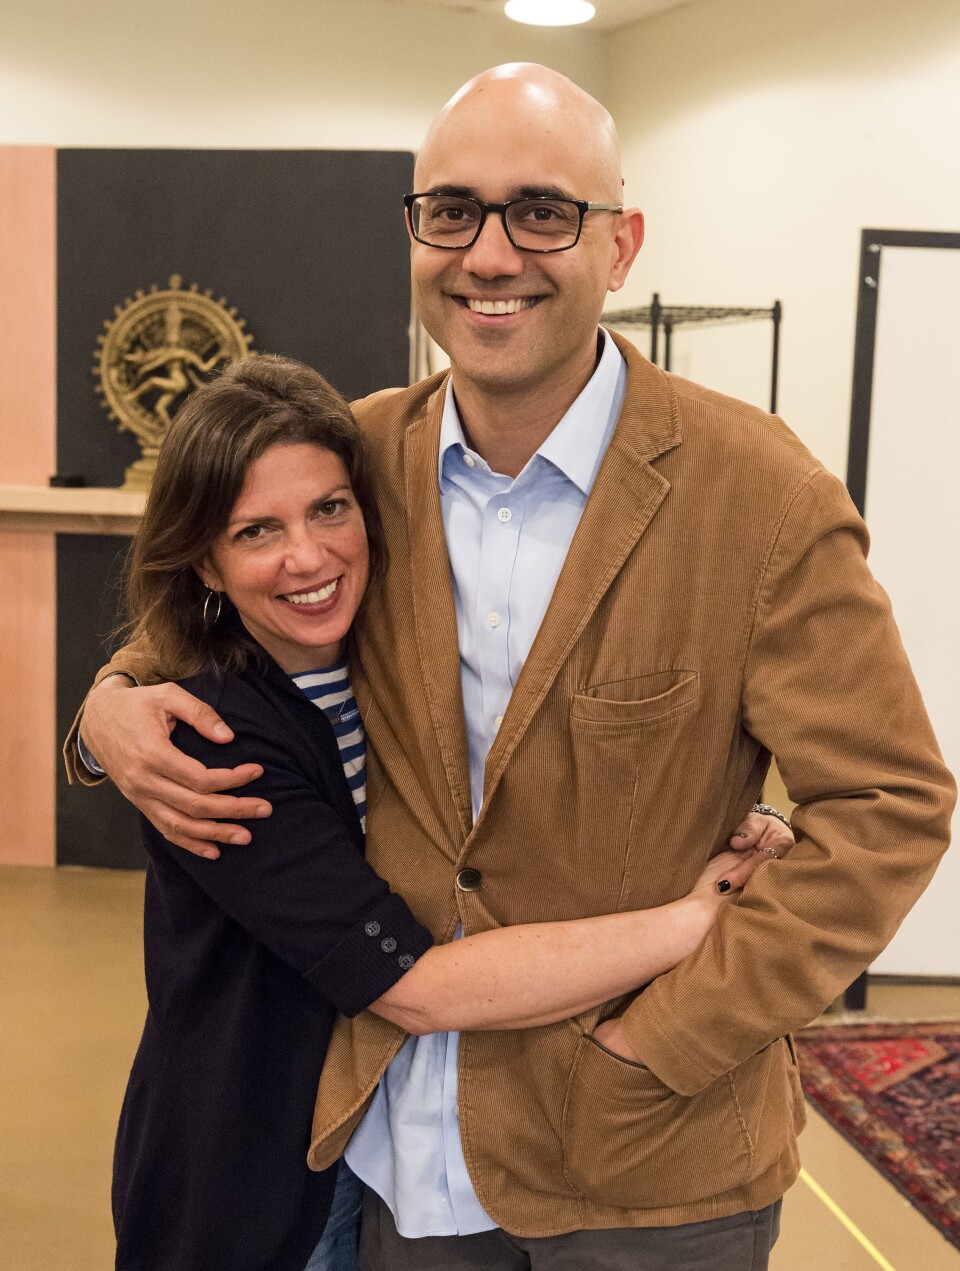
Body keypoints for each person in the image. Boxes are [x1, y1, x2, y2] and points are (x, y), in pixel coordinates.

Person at [68, 63, 954, 1271]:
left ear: (621, 242)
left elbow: (890, 808)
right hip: (398, 1150)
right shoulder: (359, 458)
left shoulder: (759, 496)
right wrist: (107, 708)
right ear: (416, 233)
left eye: (543, 210)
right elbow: (197, 613)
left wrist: (664, 1040)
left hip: (655, 1173)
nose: (492, 254)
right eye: (453, 211)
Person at [108, 353, 785, 1271]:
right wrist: (693, 920)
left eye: (330, 509)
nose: (307, 555)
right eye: (256, 530)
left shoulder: (375, 657)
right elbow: (417, 986)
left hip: (371, 1143)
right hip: (248, 1169)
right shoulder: (215, 741)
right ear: (207, 565)